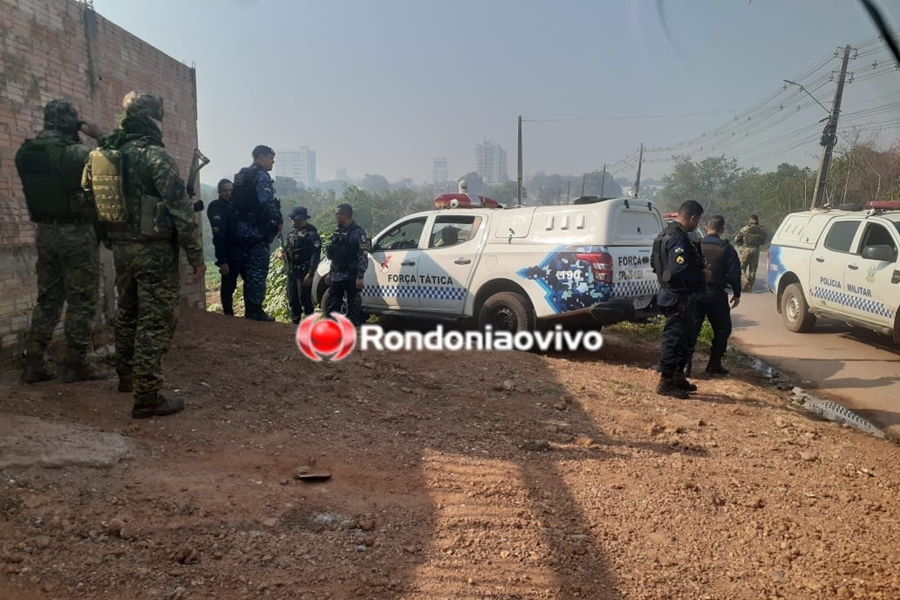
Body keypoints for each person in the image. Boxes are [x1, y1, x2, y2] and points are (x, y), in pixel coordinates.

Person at [82, 91, 205, 419]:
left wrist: (106, 237)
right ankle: (147, 395)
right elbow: (182, 210)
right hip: (154, 251)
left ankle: (126, 377)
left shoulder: (107, 154)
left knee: (129, 313)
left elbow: (87, 198)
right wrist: (196, 256)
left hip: (121, 248)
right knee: (155, 319)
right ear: (153, 118)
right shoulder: (155, 157)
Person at [15, 100, 108, 384]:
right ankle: (76, 364)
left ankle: (34, 362)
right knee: (82, 298)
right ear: (71, 124)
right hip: (75, 232)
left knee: (49, 298)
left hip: (44, 231)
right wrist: (97, 134)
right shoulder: (73, 153)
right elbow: (113, 158)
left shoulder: (25, 153)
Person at [650, 200, 707, 399]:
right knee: (674, 338)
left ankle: (677, 376)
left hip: (671, 293)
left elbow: (655, 263)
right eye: (697, 220)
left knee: (684, 338)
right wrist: (701, 276)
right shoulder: (678, 238)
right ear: (693, 218)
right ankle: (665, 382)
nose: (697, 224)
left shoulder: (664, 235)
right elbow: (679, 269)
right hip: (678, 296)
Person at [230, 145, 283, 321]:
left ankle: (249, 309)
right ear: (261, 157)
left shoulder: (242, 175)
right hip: (256, 232)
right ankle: (255, 311)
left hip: (240, 231)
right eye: (270, 158)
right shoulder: (261, 176)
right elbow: (266, 202)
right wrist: (278, 219)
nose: (273, 162)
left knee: (246, 272)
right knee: (258, 272)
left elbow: (234, 202)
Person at [686, 215, 742, 377]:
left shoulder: (696, 245)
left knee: (691, 329)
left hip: (696, 293)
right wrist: (736, 293)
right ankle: (714, 364)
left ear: (706, 228)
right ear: (722, 229)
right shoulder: (726, 248)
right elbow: (734, 274)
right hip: (716, 295)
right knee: (723, 329)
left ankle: (685, 366)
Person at [325, 203, 369, 326]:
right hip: (337, 274)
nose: (336, 216)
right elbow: (334, 256)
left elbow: (363, 255)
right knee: (333, 305)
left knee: (354, 307)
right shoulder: (337, 232)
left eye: (338, 214)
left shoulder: (359, 233)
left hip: (351, 275)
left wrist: (360, 276)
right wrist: (330, 273)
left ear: (346, 215)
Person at [206, 178, 242, 316]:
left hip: (240, 251)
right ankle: (228, 314)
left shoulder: (234, 206)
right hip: (228, 252)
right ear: (219, 192)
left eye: (230, 191)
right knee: (228, 285)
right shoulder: (217, 207)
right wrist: (222, 260)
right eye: (225, 191)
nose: (228, 193)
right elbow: (218, 237)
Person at [283, 206, 321, 324]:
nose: (293, 221)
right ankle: (295, 322)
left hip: (303, 271)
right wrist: (282, 253)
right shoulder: (292, 233)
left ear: (302, 218)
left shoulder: (311, 234)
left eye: (295, 219)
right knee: (292, 297)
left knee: (304, 298)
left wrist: (310, 274)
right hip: (291, 271)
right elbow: (288, 249)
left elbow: (315, 255)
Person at [733, 214, 768, 293]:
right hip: (756, 250)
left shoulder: (745, 229)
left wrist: (741, 241)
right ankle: (750, 287)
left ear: (749, 220)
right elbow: (763, 242)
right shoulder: (761, 231)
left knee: (742, 268)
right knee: (753, 270)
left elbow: (736, 239)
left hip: (746, 250)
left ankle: (744, 280)